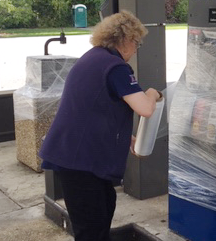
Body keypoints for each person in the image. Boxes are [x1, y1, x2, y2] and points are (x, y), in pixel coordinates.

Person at [39, 10, 161, 241]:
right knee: (92, 228)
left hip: (75, 156)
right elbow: (145, 108)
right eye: (137, 43)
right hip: (80, 161)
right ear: (125, 39)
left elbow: (95, 108)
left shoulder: (93, 58)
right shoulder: (115, 67)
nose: (136, 49)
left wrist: (126, 138)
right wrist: (153, 94)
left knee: (105, 205)